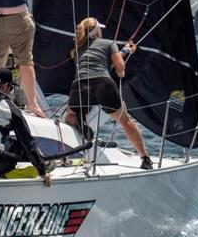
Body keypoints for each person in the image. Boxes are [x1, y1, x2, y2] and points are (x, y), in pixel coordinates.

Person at [65, 17, 154, 170]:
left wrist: (123, 52)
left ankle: (81, 126)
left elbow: (97, 61)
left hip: (80, 85)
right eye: (100, 29)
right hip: (103, 84)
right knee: (125, 121)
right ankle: (145, 158)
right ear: (96, 31)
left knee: (70, 116)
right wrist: (122, 70)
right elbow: (119, 69)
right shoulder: (108, 43)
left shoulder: (77, 48)